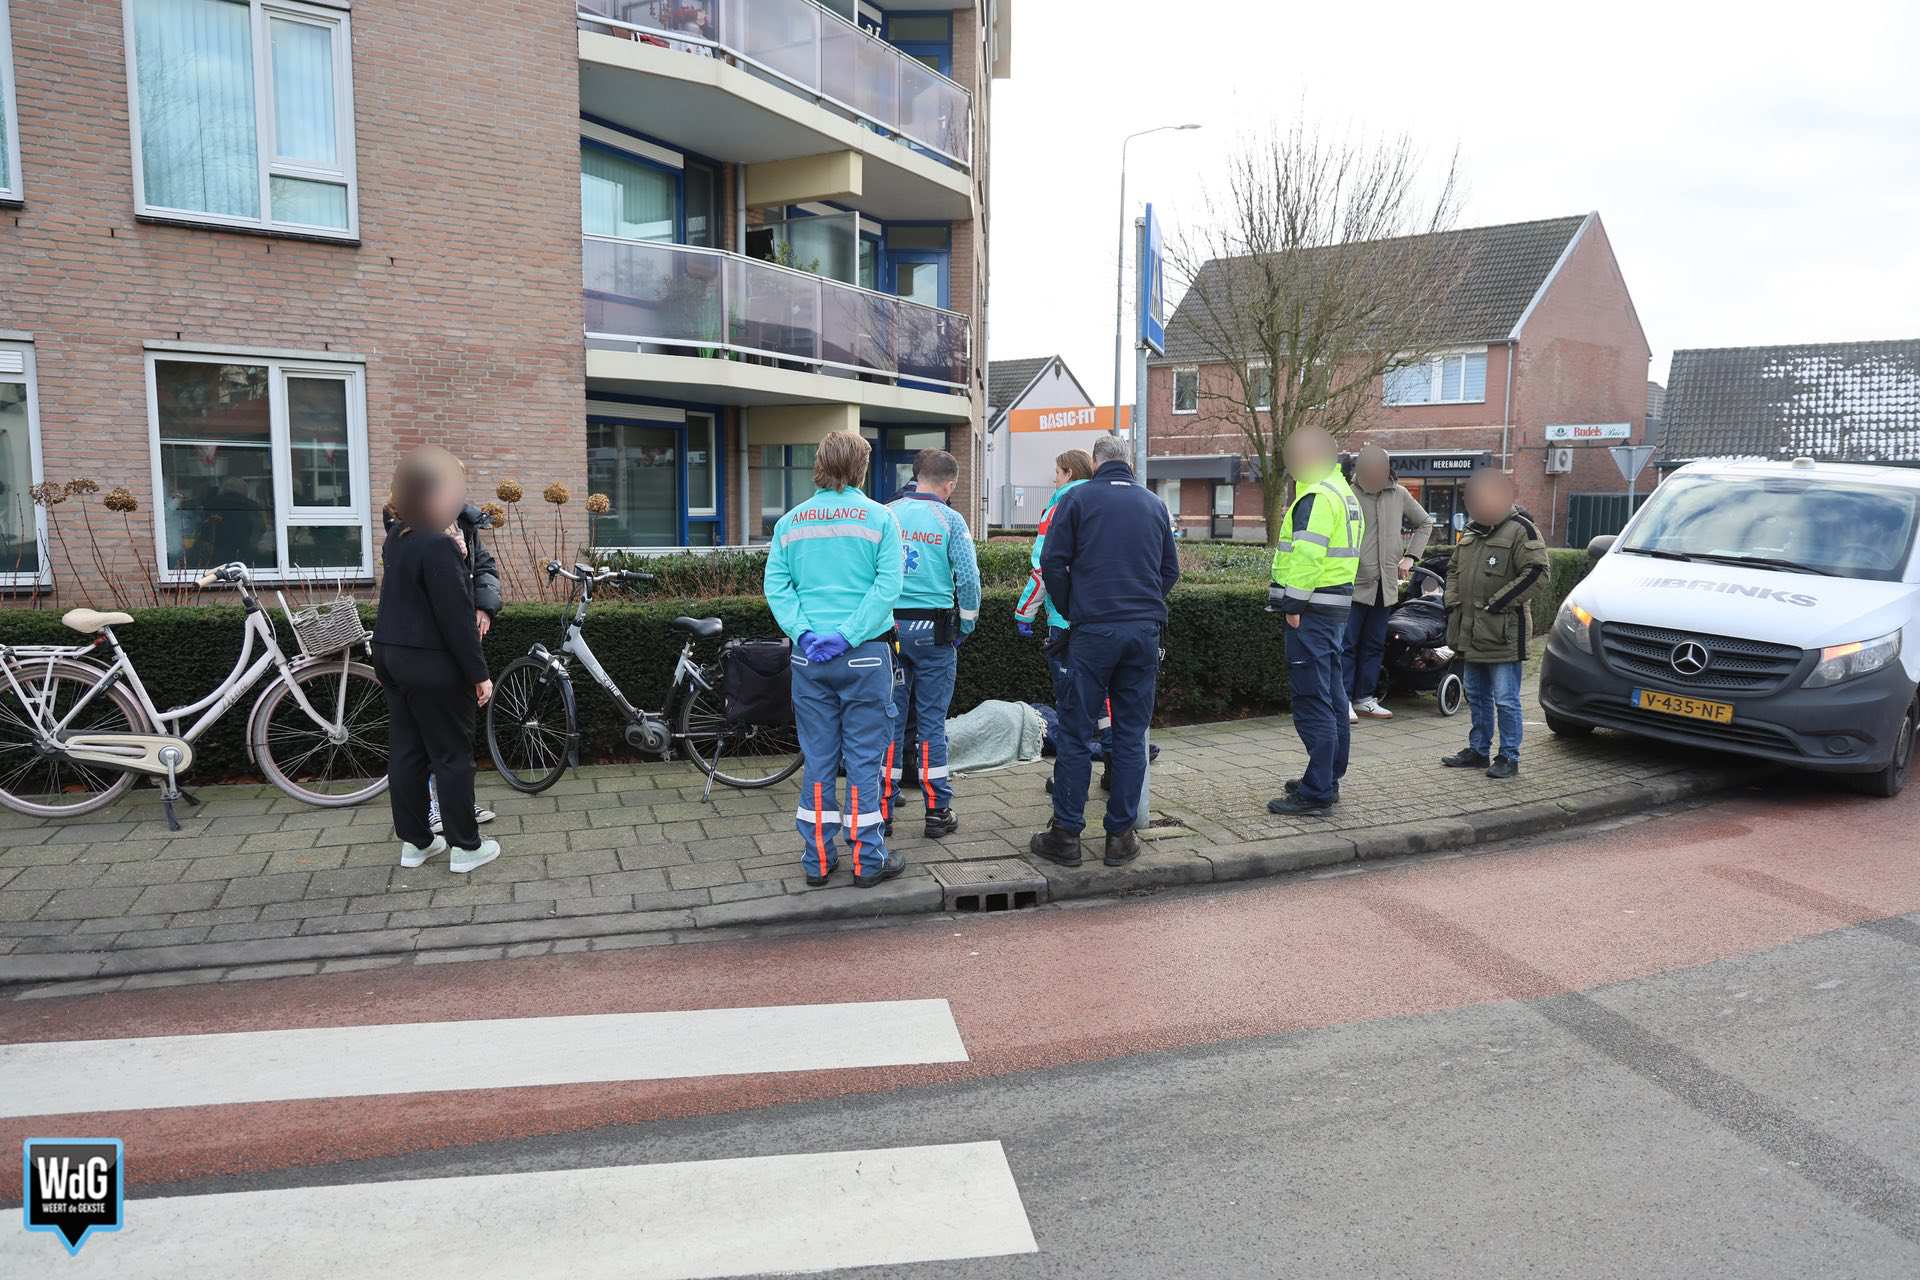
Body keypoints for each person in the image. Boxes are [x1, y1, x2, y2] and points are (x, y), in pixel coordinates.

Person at [1027, 434, 1180, 869]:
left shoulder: (1076, 501)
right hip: (1143, 632)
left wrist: (1076, 608)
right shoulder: (1154, 505)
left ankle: (1067, 835)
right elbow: (1170, 570)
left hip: (1092, 633)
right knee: (1131, 734)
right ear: (1128, 463)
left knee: (1077, 733)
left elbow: (1052, 563)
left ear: (1095, 464)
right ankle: (1120, 836)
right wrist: (1145, 603)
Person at [764, 430, 907, 888]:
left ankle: (818, 860)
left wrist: (805, 632)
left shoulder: (790, 523)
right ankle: (869, 861)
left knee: (819, 759)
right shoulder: (881, 520)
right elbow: (888, 588)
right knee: (865, 761)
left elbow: (777, 588)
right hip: (865, 655)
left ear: (820, 464)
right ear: (861, 468)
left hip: (810, 660)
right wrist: (847, 635)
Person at [372, 446, 499, 874]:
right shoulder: (437, 544)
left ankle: (417, 844)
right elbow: (455, 619)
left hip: (391, 656)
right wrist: (479, 674)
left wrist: (461, 556)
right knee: (451, 755)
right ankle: (466, 847)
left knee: (408, 752)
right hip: (433, 664)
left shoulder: (399, 535)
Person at [1266, 427, 1364, 817]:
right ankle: (1327, 775)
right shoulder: (1343, 493)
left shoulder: (1316, 496)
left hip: (1310, 612)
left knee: (1312, 699)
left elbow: (1308, 556)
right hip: (1334, 608)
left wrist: (1293, 603)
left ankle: (1317, 789)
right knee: (1333, 695)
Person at [885, 449, 981, 840]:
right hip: (935, 633)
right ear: (950, 484)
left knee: (888, 723)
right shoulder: (951, 520)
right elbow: (969, 579)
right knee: (930, 726)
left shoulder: (887, 513)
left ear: (916, 476)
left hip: (888, 633)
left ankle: (881, 811)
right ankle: (937, 812)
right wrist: (968, 625)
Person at [1442, 469, 1548, 779]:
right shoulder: (1471, 533)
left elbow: (1537, 573)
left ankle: (1509, 756)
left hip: (1502, 634)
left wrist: (1498, 602)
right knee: (1476, 695)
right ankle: (1478, 751)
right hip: (1471, 632)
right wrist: (1451, 600)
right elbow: (1453, 570)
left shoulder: (1522, 530)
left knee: (1505, 699)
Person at [1013, 449, 1107, 793]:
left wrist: (1025, 612)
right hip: (1103, 621)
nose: (1054, 478)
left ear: (1068, 473)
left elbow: (1044, 567)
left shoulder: (1059, 506)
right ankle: (1111, 764)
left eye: (1056, 471)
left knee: (1070, 705)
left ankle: (1069, 780)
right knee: (1102, 701)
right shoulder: (1106, 502)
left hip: (1065, 622)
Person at [1345, 445, 1434, 721]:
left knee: (1373, 644)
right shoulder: (1347, 495)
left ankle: (1365, 699)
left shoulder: (1399, 493)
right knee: (1346, 645)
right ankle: (1342, 699)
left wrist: (1410, 557)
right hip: (1353, 584)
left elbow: (1425, 523)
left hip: (1386, 585)